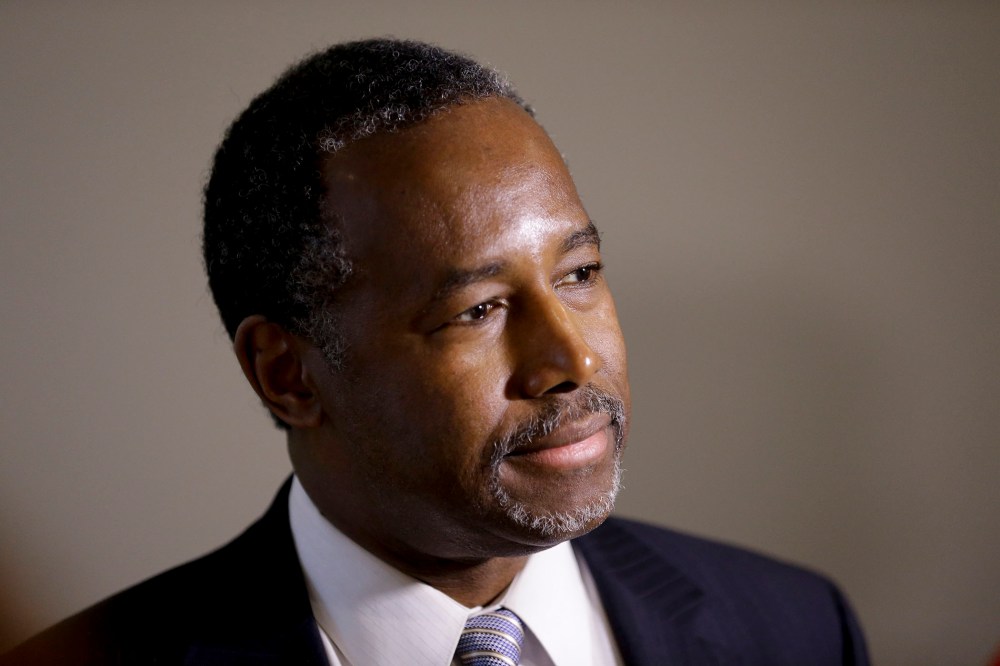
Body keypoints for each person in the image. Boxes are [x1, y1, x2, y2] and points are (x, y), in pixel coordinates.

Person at [1, 38, 869, 665]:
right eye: (478, 309)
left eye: (580, 273)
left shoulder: (797, 630)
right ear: (288, 372)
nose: (571, 361)